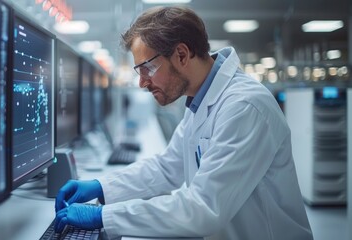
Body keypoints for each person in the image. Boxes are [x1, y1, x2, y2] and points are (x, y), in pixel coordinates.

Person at [54, 6, 313, 240]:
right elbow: (169, 167)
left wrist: (103, 217)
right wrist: (102, 187)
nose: (142, 83)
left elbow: (202, 208)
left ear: (181, 54)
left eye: (147, 69)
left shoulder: (244, 107)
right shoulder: (201, 100)